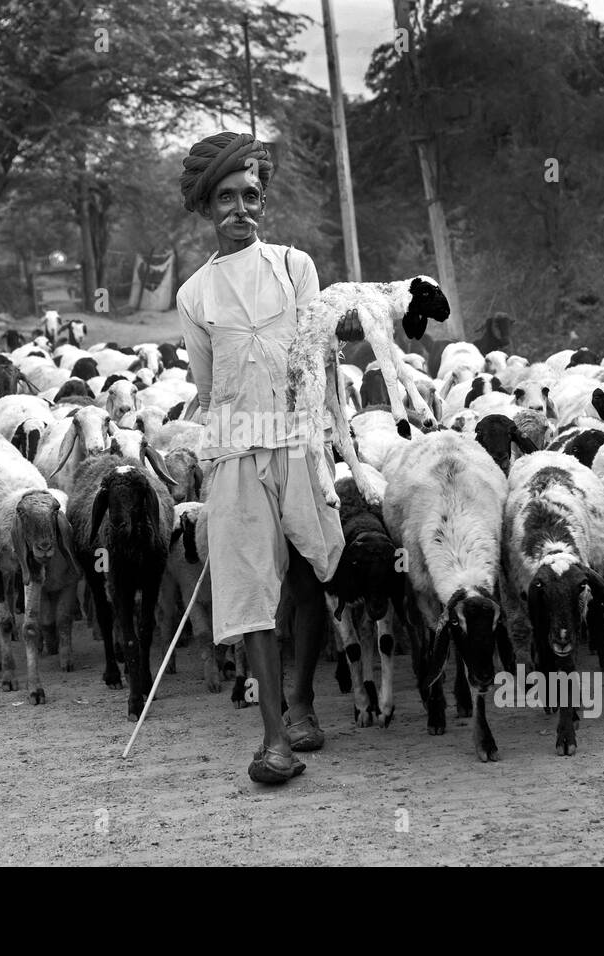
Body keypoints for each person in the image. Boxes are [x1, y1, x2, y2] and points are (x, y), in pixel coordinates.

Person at [177, 131, 361, 784]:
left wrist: (329, 433)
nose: (239, 208)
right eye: (225, 197)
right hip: (235, 456)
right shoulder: (196, 295)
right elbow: (207, 389)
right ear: (206, 207)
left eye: (250, 195)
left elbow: (317, 355)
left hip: (298, 445)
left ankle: (307, 702)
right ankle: (274, 737)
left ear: (263, 201)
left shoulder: (295, 267)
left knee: (309, 574)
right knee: (252, 591)